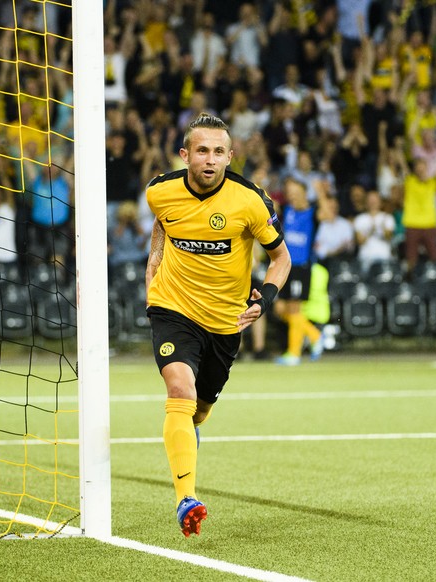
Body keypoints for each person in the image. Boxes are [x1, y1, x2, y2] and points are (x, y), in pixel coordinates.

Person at [145, 113, 291, 537]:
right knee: (179, 390)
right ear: (185, 154)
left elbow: (280, 258)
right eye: (202, 150)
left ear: (231, 156)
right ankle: (186, 498)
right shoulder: (159, 190)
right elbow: (164, 222)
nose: (209, 159)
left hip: (226, 320)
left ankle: (188, 432)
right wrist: (155, 259)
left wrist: (265, 299)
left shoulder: (251, 201)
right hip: (172, 306)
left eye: (218, 152)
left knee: (199, 410)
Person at [273, 177, 323, 366]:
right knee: (280, 309)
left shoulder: (312, 212)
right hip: (284, 265)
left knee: (294, 308)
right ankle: (314, 335)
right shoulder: (286, 211)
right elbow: (267, 205)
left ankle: (294, 353)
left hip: (301, 266)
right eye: (289, 190)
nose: (291, 193)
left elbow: (327, 214)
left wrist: (320, 192)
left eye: (295, 190)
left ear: (304, 191)